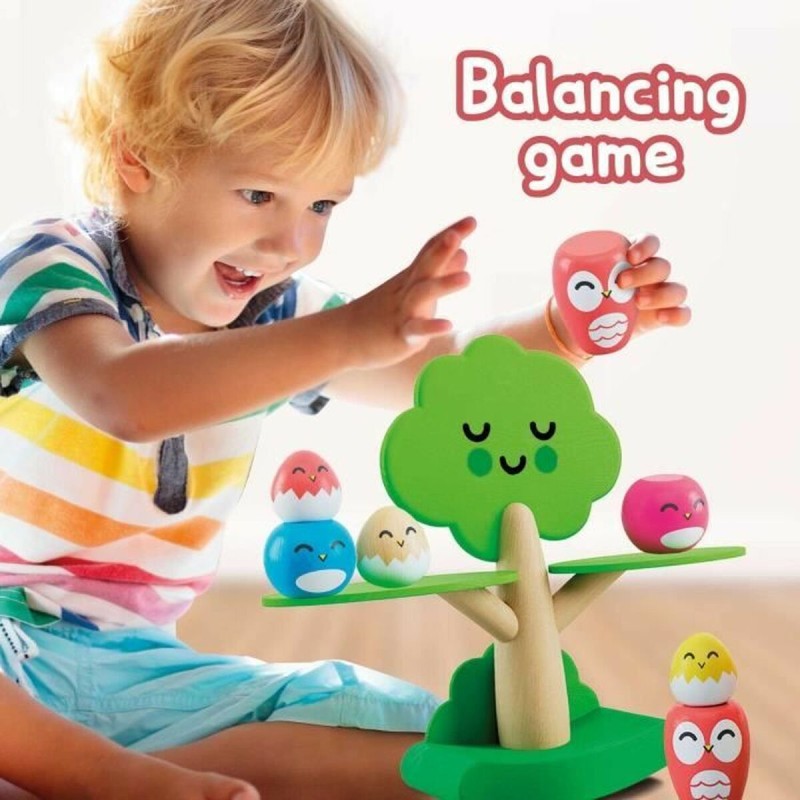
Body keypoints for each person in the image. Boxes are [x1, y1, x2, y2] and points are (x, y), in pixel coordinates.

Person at [0, 0, 690, 798]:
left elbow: (442, 379)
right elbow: (120, 394)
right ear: (137, 158)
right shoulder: (52, 263)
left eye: (322, 206)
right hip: (10, 643)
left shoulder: (281, 318)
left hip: (147, 671)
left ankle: (131, 776)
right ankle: (110, 781)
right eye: (258, 195)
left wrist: (567, 330)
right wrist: (347, 335)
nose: (292, 244)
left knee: (395, 724)